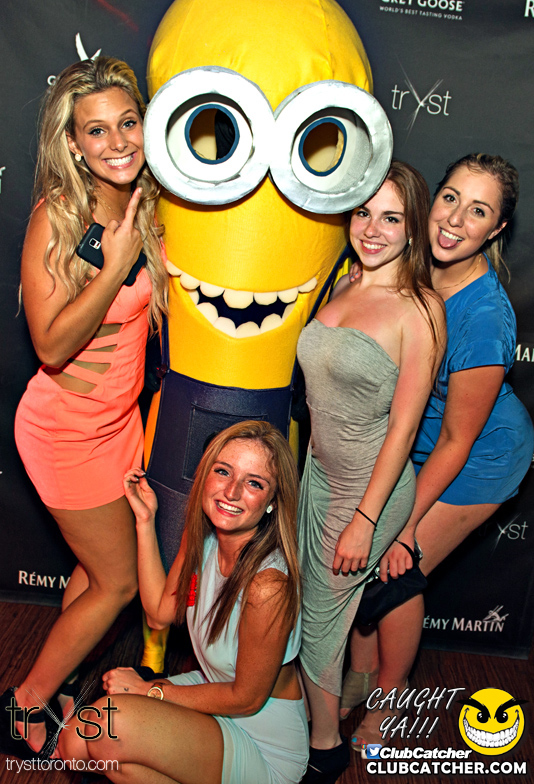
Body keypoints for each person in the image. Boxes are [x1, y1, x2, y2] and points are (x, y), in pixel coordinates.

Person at [0, 56, 167, 759]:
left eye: (128, 123)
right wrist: (115, 264)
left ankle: (60, 680)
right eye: (96, 130)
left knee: (94, 571)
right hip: (65, 432)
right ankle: (21, 706)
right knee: (120, 582)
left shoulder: (152, 202)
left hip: (117, 424)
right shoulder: (58, 217)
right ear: (72, 143)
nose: (118, 142)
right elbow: (50, 343)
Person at [343, 153, 534, 750]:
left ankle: (389, 700)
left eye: (478, 211)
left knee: (395, 571)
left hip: (480, 458)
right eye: (450, 198)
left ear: (497, 229)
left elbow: (459, 438)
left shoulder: (484, 317)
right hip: (414, 445)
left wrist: (404, 524)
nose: (454, 219)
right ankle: (360, 676)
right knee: (361, 568)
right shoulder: (409, 263)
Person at [296, 161, 446, 783]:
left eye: (392, 218)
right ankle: (333, 705)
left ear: (412, 228)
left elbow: (405, 431)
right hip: (317, 478)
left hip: (366, 493)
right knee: (316, 611)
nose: (373, 229)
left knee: (318, 621)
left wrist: (364, 519)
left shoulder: (420, 310)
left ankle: (325, 748)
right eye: (364, 213)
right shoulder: (346, 281)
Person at [56, 420, 308, 784]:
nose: (232, 491)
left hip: (262, 740)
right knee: (75, 743)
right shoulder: (204, 539)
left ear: (272, 502)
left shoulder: (268, 585)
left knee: (110, 726)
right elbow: (159, 614)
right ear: (205, 475)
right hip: (214, 691)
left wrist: (150, 690)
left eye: (254, 483)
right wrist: (145, 521)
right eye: (223, 471)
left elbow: (246, 699)